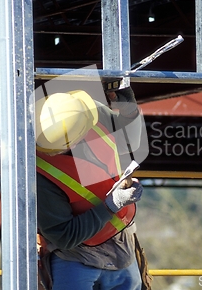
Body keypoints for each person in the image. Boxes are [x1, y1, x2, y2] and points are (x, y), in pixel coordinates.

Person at [35, 85, 146, 290]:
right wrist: (113, 204)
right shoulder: (41, 176)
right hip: (74, 257)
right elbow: (65, 236)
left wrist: (128, 108)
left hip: (120, 247)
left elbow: (127, 141)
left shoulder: (82, 112)